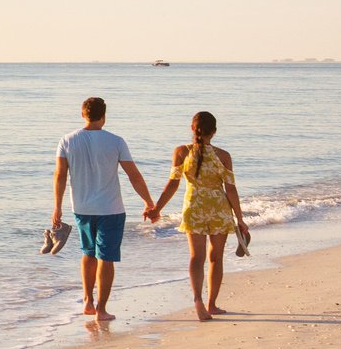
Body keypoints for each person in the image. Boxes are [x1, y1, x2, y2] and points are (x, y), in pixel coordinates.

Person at [49, 96, 154, 321]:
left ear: (82, 114)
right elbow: (133, 175)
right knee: (106, 257)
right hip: (111, 208)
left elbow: (60, 176)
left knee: (88, 253)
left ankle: (87, 301)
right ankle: (102, 309)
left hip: (82, 207)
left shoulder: (67, 140)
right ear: (104, 116)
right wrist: (148, 202)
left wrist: (57, 207)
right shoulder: (116, 141)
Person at [146, 110, 250, 321]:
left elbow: (173, 184)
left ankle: (198, 301)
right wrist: (240, 219)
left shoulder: (181, 152)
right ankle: (212, 304)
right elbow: (230, 189)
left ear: (192, 129)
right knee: (216, 258)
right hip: (219, 210)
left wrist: (157, 208)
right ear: (214, 132)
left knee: (196, 257)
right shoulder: (223, 156)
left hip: (193, 208)